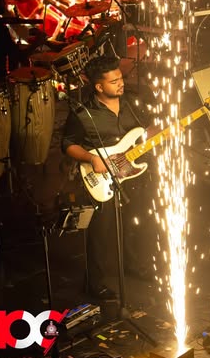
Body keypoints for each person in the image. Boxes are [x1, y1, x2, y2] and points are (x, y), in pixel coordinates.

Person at [61, 55, 156, 299]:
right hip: (100, 178)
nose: (120, 83)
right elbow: (68, 144)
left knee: (135, 223)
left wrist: (158, 134)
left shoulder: (132, 103)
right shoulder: (83, 113)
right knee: (101, 232)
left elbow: (145, 130)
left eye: (120, 78)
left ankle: (134, 264)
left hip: (131, 175)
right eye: (114, 81)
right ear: (99, 86)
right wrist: (91, 158)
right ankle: (95, 283)